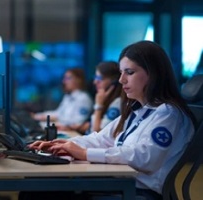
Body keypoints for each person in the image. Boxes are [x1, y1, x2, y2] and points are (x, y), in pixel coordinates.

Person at [25, 40, 195, 200]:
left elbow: (145, 157)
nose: (122, 80)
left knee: (38, 192)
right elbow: (101, 138)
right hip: (120, 184)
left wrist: (85, 153)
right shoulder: (138, 110)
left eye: (130, 72)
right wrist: (63, 145)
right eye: (121, 73)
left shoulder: (168, 114)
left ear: (153, 74)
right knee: (37, 188)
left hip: (137, 192)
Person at [58, 61, 124, 134]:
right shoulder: (106, 100)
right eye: (95, 77)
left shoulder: (117, 103)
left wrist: (98, 106)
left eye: (99, 78)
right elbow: (91, 125)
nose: (95, 82)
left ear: (114, 82)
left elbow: (96, 132)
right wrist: (71, 127)